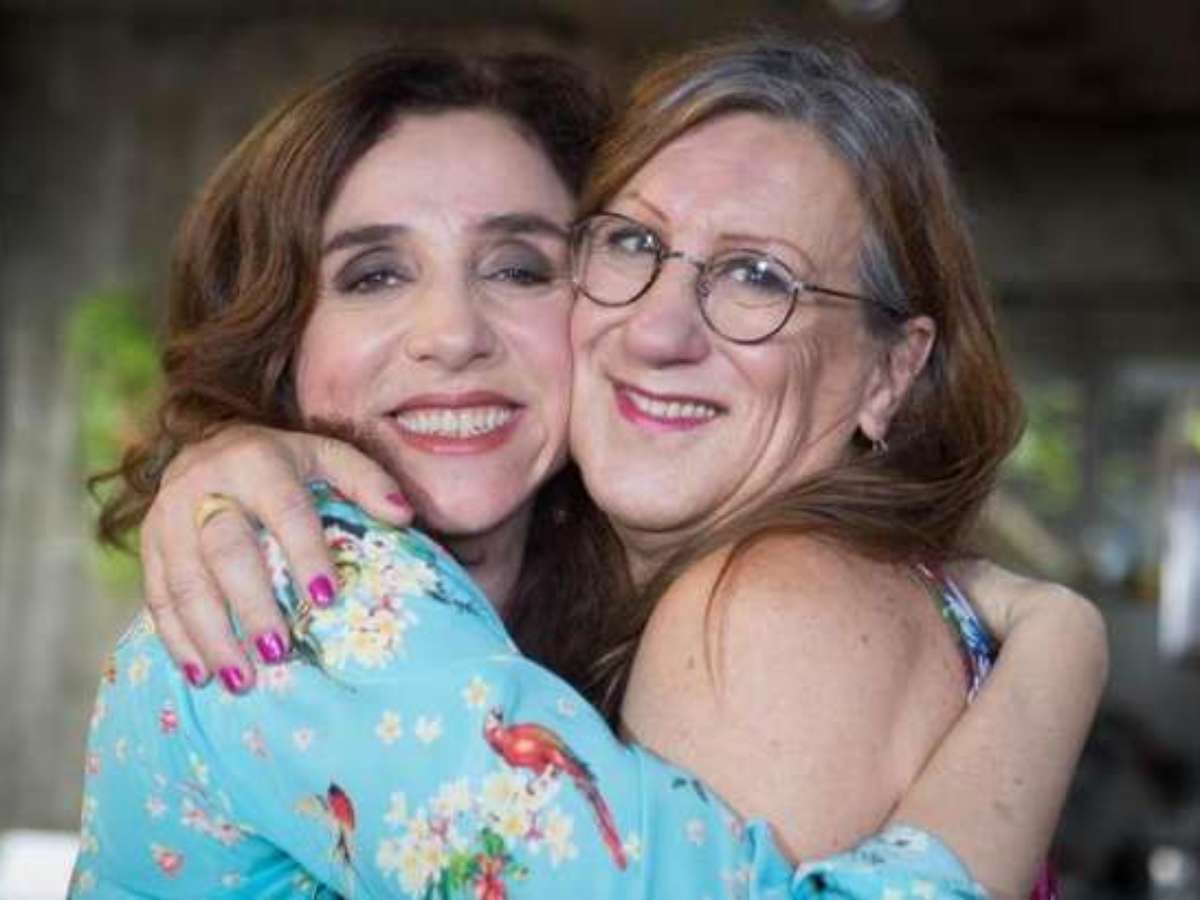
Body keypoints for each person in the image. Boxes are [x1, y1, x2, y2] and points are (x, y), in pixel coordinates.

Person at [72, 41, 1106, 899]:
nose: (451, 334)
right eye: (374, 274)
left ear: (892, 372)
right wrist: (1062, 653)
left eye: (520, 265)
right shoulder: (306, 588)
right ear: (279, 341)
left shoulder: (762, 605)